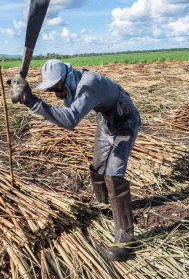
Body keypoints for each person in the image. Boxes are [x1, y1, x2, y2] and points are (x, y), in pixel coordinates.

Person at [9, 59, 141, 261]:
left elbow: (70, 120)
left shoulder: (89, 84)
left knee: (113, 173)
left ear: (66, 78)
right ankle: (107, 205)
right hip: (106, 123)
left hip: (125, 121)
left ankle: (125, 236)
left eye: (57, 88)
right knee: (98, 166)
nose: (57, 94)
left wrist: (32, 101)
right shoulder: (71, 83)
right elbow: (67, 110)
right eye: (51, 91)